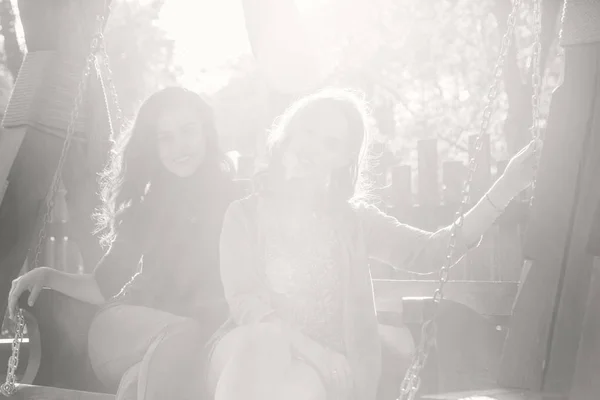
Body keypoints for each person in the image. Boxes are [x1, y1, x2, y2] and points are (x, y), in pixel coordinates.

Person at [208, 88, 540, 400]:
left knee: (300, 388)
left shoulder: (353, 221)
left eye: (330, 143)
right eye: (309, 131)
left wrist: (508, 186)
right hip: (252, 348)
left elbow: (431, 252)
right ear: (290, 132)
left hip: (326, 364)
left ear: (343, 159)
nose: (312, 146)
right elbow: (246, 302)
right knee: (267, 342)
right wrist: (314, 352)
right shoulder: (244, 215)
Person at [7, 87, 243, 400]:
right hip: (121, 331)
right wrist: (48, 275)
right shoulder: (146, 208)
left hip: (183, 348)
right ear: (153, 146)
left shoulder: (237, 201)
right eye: (165, 137)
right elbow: (101, 287)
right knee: (182, 335)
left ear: (206, 133)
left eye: (188, 131)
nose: (179, 146)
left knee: (154, 374)